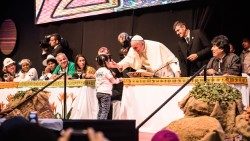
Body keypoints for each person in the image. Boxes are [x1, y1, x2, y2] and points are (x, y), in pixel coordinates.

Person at [115, 35, 181, 77]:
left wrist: (177, 73)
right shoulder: (133, 49)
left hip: (166, 76)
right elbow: (128, 60)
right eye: (133, 48)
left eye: (136, 48)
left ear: (142, 44)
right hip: (151, 77)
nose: (134, 50)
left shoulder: (157, 46)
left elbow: (172, 60)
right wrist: (117, 65)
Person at [95, 54, 122, 119]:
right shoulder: (106, 71)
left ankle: (96, 125)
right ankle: (101, 127)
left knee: (100, 110)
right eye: (109, 61)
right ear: (106, 62)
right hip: (105, 93)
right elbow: (113, 81)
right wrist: (119, 80)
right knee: (105, 111)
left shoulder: (98, 71)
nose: (110, 62)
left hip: (98, 92)